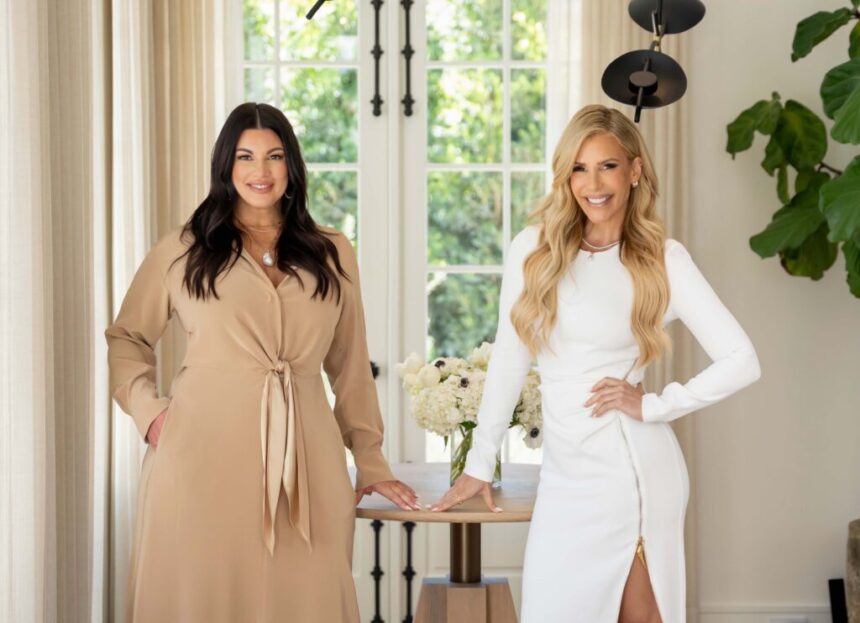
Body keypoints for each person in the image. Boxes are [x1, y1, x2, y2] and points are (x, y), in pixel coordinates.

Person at [430, 104, 761, 622]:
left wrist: (653, 406)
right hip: (564, 476)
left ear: (635, 170)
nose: (593, 184)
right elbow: (510, 359)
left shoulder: (662, 259)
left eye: (608, 166)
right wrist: (479, 463)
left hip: (630, 473)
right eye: (579, 169)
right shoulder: (533, 250)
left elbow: (743, 359)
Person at [106, 102, 420, 622]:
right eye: (246, 156)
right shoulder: (183, 250)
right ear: (226, 165)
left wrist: (370, 459)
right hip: (199, 457)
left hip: (309, 465)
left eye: (274, 156)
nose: (261, 171)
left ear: (291, 165)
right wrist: (151, 414)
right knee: (204, 600)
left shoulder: (332, 252)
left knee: (309, 599)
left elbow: (350, 364)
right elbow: (127, 338)